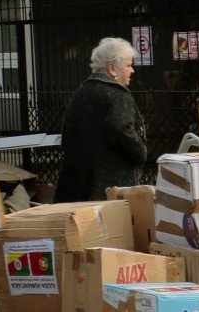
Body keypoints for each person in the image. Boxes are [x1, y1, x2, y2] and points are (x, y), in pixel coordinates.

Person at [55, 37, 148, 201]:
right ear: (112, 68)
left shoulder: (81, 93)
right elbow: (123, 131)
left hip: (78, 187)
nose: (132, 70)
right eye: (128, 65)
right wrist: (141, 153)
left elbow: (67, 137)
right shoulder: (117, 95)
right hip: (111, 188)